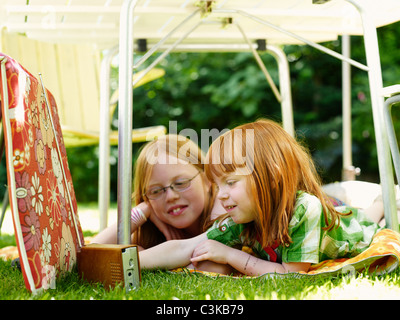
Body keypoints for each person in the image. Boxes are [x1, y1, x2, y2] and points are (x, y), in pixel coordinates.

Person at [138, 119, 385, 276]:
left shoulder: (304, 209)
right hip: (331, 219)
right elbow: (186, 246)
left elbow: (292, 275)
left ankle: (382, 202)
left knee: (367, 222)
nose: (221, 195)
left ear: (271, 177)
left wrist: (230, 255)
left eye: (231, 182)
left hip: (349, 230)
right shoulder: (240, 218)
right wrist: (132, 262)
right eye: (218, 184)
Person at [91, 134, 225, 250]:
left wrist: (143, 256)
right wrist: (143, 210)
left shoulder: (225, 210)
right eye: (155, 191)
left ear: (208, 180)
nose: (171, 197)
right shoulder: (153, 226)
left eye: (180, 183)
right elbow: (94, 249)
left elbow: (212, 264)